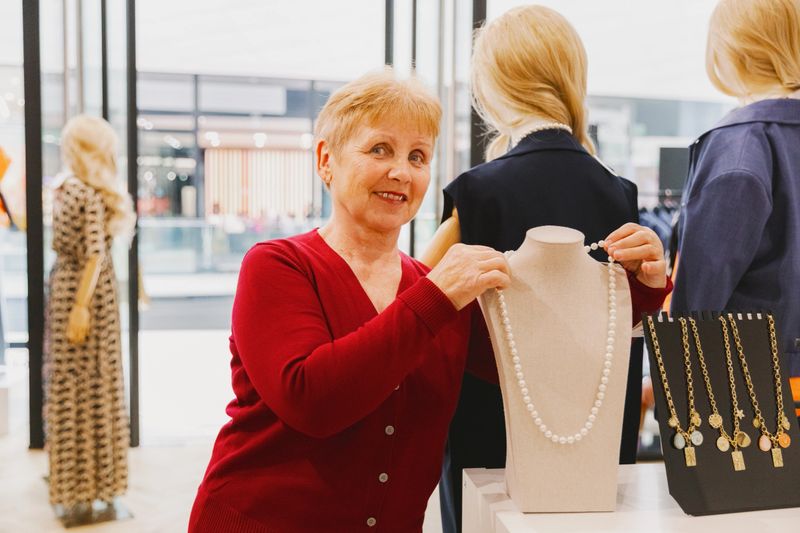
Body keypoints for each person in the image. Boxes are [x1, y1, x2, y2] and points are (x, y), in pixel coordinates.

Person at [188, 70, 669, 533]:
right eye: (380, 149)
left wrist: (641, 288)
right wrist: (436, 297)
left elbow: (547, 372)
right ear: (326, 160)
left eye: (418, 156)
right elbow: (312, 399)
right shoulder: (277, 266)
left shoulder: (438, 291)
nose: (400, 172)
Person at [420, 6, 672, 532]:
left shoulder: (478, 192)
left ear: (491, 88)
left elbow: (417, 298)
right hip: (597, 436)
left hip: (493, 436)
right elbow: (623, 320)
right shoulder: (618, 193)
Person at [671, 0, 800, 381]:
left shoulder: (741, 145)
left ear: (731, 49)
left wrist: (676, 377)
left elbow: (701, 293)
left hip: (752, 389)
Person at [45, 115, 135, 520]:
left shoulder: (83, 192)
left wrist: (80, 307)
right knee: (84, 387)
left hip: (82, 298)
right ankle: (86, 483)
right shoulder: (76, 189)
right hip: (77, 293)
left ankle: (87, 483)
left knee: (83, 388)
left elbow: (96, 252)